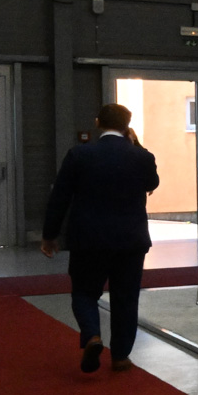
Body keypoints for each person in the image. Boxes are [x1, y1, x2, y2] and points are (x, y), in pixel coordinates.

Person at [40, 103, 160, 374]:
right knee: (125, 298)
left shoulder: (80, 154)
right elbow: (152, 184)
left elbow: (59, 197)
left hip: (88, 238)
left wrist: (50, 235)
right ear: (127, 126)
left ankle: (93, 335)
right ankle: (120, 357)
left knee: (84, 291)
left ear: (97, 123)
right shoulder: (142, 156)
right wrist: (137, 145)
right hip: (131, 240)